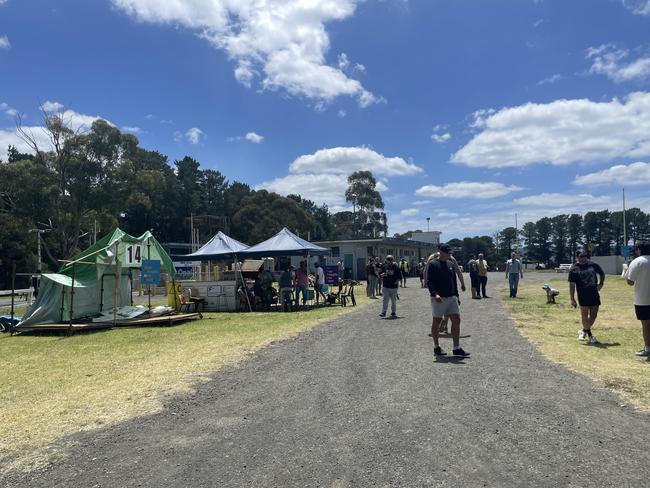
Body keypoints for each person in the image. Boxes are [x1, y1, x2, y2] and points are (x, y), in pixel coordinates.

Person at [427, 243, 469, 357]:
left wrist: (457, 296)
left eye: (450, 253)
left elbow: (453, 282)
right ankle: (436, 347)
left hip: (451, 297)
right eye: (447, 253)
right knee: (437, 321)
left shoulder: (450, 264)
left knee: (457, 319)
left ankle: (456, 348)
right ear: (441, 252)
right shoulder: (433, 264)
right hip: (439, 298)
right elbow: (429, 281)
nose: (449, 255)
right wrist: (434, 294)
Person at [568, 249, 605, 344]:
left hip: (594, 293)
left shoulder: (593, 265)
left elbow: (602, 273)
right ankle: (590, 335)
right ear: (577, 257)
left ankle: (583, 330)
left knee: (594, 315)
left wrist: (601, 283)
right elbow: (572, 285)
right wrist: (572, 299)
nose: (584, 258)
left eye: (585, 256)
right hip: (582, 295)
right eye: (581, 256)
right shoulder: (574, 269)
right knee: (584, 315)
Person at [625, 241, 650, 357]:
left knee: (646, 324)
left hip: (643, 299)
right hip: (643, 299)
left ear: (639, 250)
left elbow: (630, 282)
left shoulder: (637, 262)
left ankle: (648, 348)